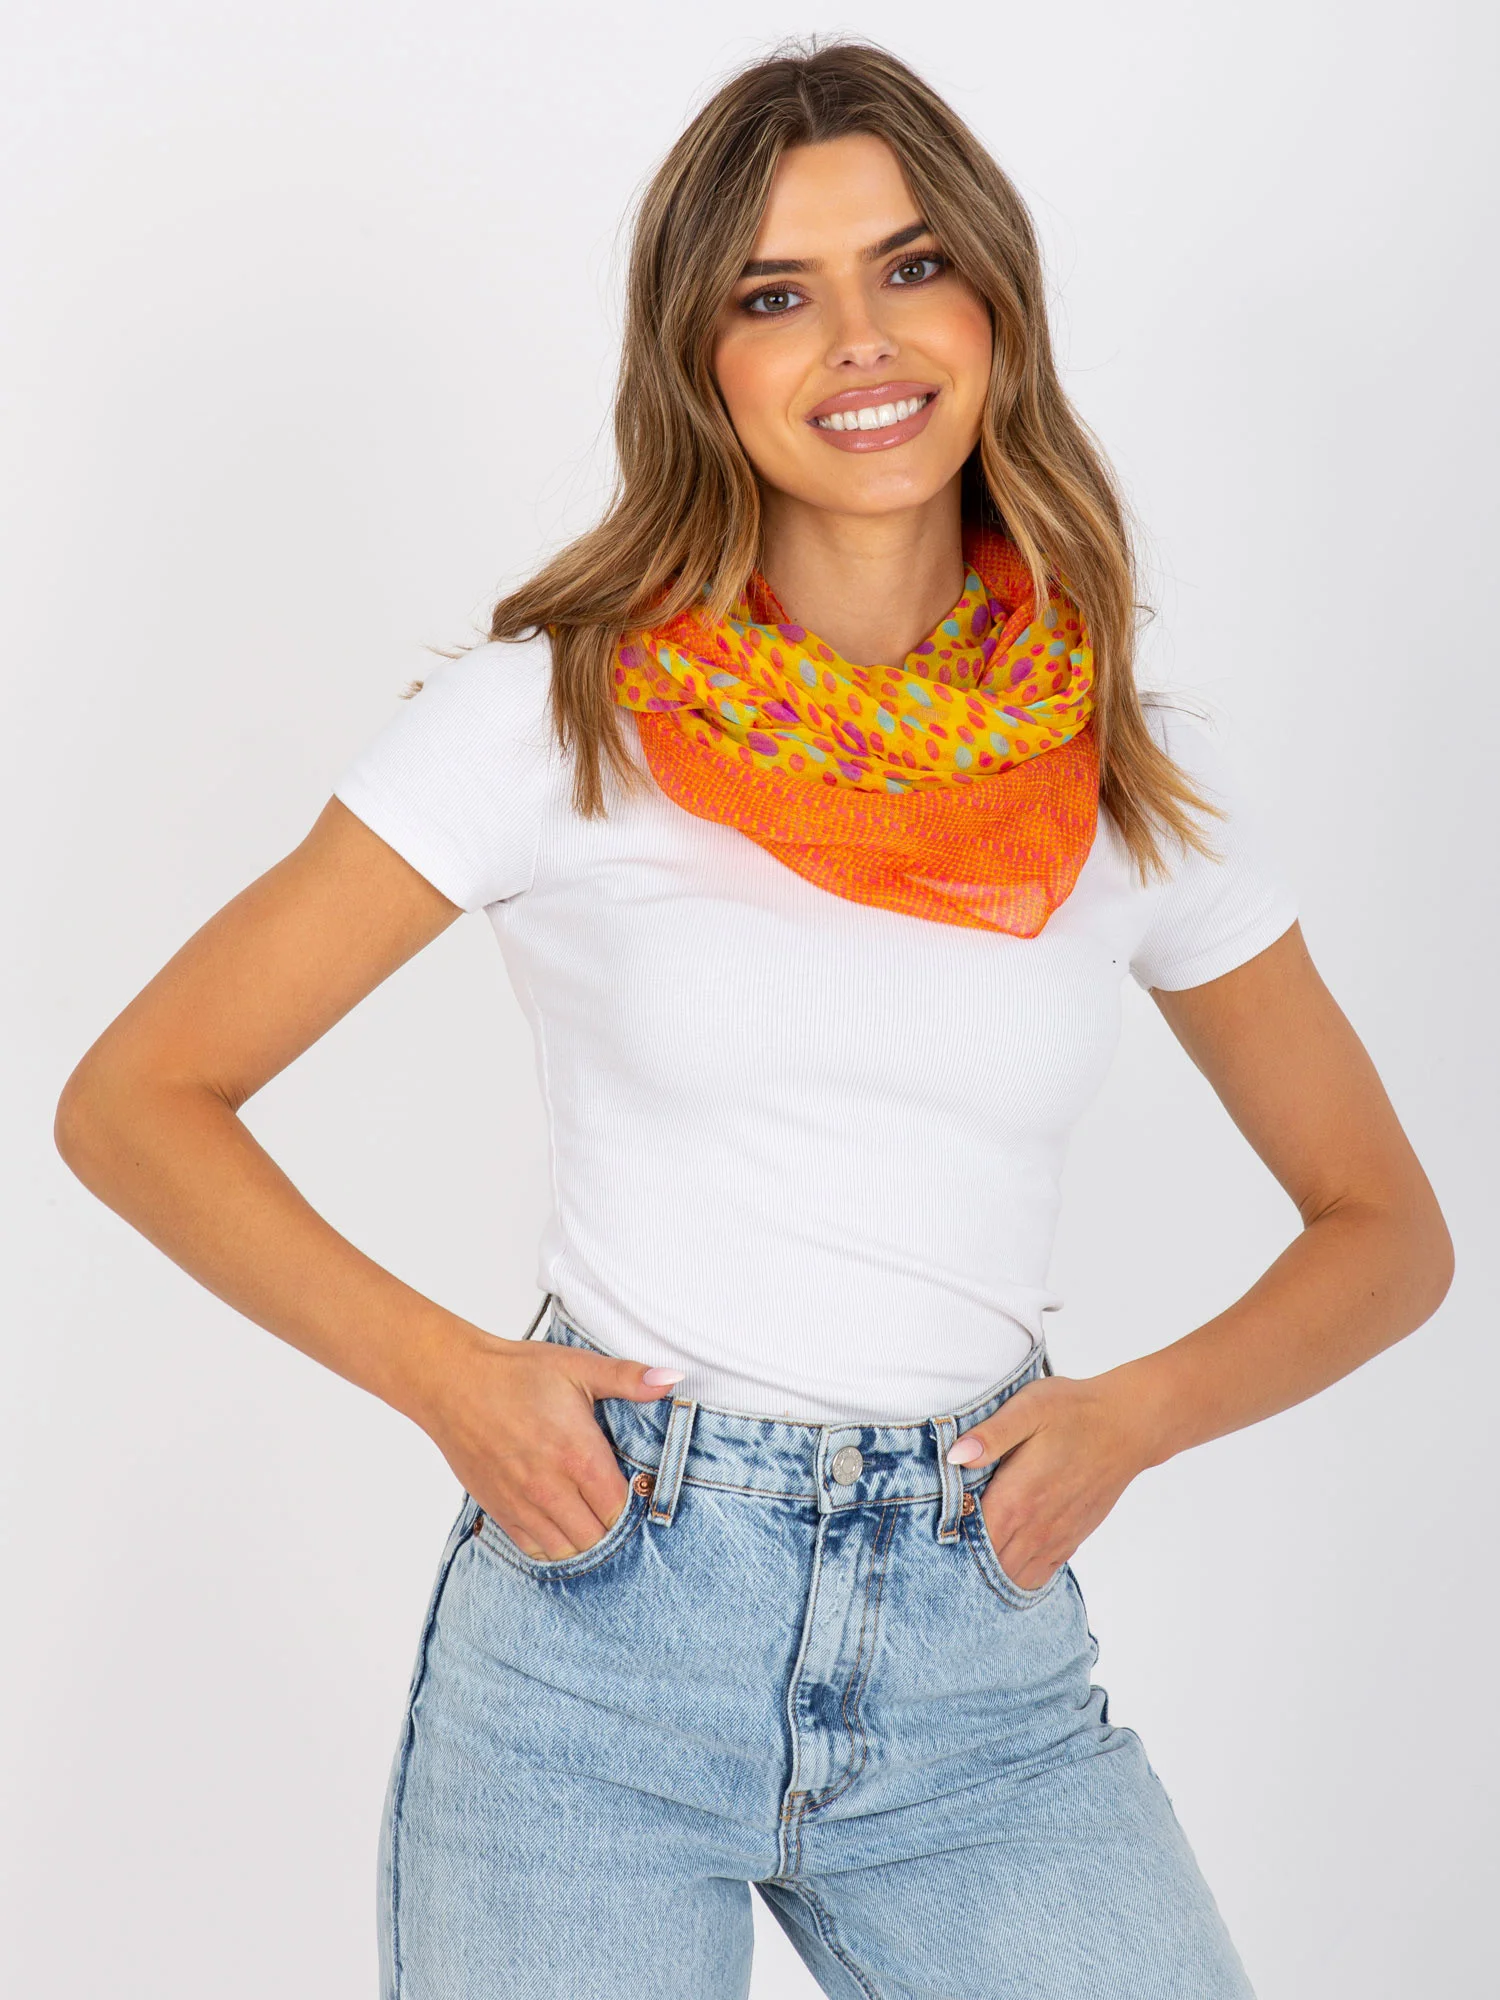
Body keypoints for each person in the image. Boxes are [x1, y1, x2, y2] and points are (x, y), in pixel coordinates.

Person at [53, 39, 1452, 2000]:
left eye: (911, 266)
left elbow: (1387, 1229)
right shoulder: (556, 721)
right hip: (604, 1639)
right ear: (697, 363)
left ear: (995, 305)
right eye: (775, 295)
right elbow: (137, 1096)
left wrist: (1137, 1416)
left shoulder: (1115, 773)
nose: (860, 339)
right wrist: (448, 1379)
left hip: (979, 1660)